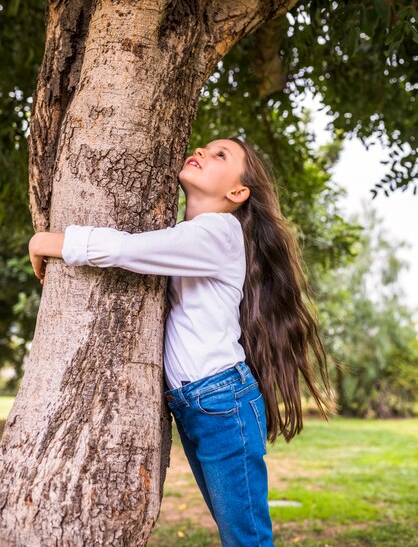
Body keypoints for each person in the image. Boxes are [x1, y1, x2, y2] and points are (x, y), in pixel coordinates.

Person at [29, 136, 336, 547]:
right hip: (202, 404)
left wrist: (51, 242)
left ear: (238, 192)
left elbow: (127, 249)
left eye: (220, 155)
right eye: (205, 148)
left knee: (247, 541)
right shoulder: (192, 236)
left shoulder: (219, 231)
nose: (202, 153)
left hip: (221, 403)